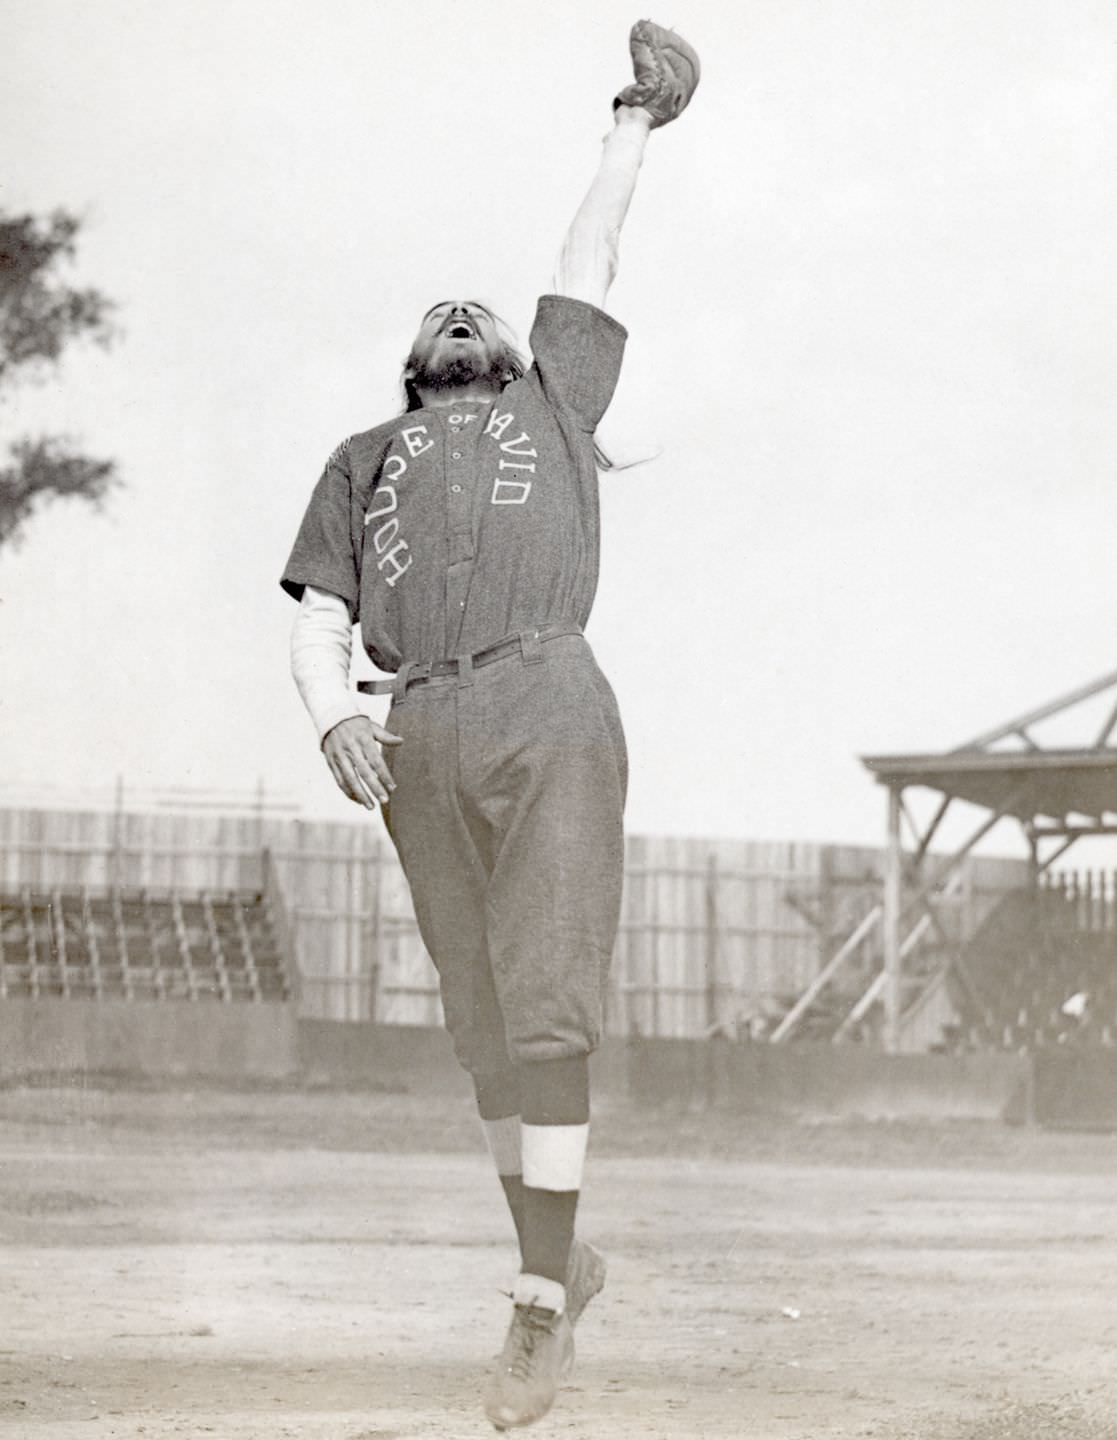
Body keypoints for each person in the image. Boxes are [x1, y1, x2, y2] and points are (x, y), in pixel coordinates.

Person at [280, 22, 699, 1430]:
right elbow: (314, 618)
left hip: (546, 699)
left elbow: (583, 263)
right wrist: (333, 715)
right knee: (481, 1024)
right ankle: (557, 1258)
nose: (461, 310)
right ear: (412, 366)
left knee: (548, 996)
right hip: (422, 727)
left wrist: (630, 130)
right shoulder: (361, 458)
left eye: (480, 309)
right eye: (437, 313)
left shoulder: (552, 406)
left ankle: (530, 1309)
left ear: (515, 354)